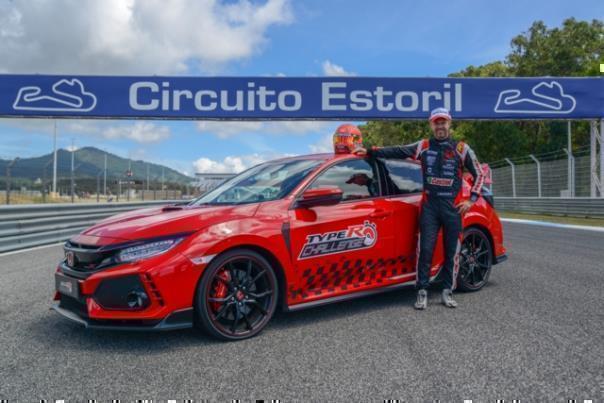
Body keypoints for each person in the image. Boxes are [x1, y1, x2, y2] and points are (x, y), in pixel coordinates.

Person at [353, 107, 485, 309]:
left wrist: (471, 200)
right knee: (425, 250)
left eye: (443, 122)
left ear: (449, 124)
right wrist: (371, 151)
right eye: (436, 122)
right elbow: (398, 150)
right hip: (430, 208)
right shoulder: (423, 145)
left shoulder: (462, 149)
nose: (440, 126)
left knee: (453, 252)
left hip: (453, 209)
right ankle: (422, 291)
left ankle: (447, 291)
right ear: (431, 125)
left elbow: (480, 175)